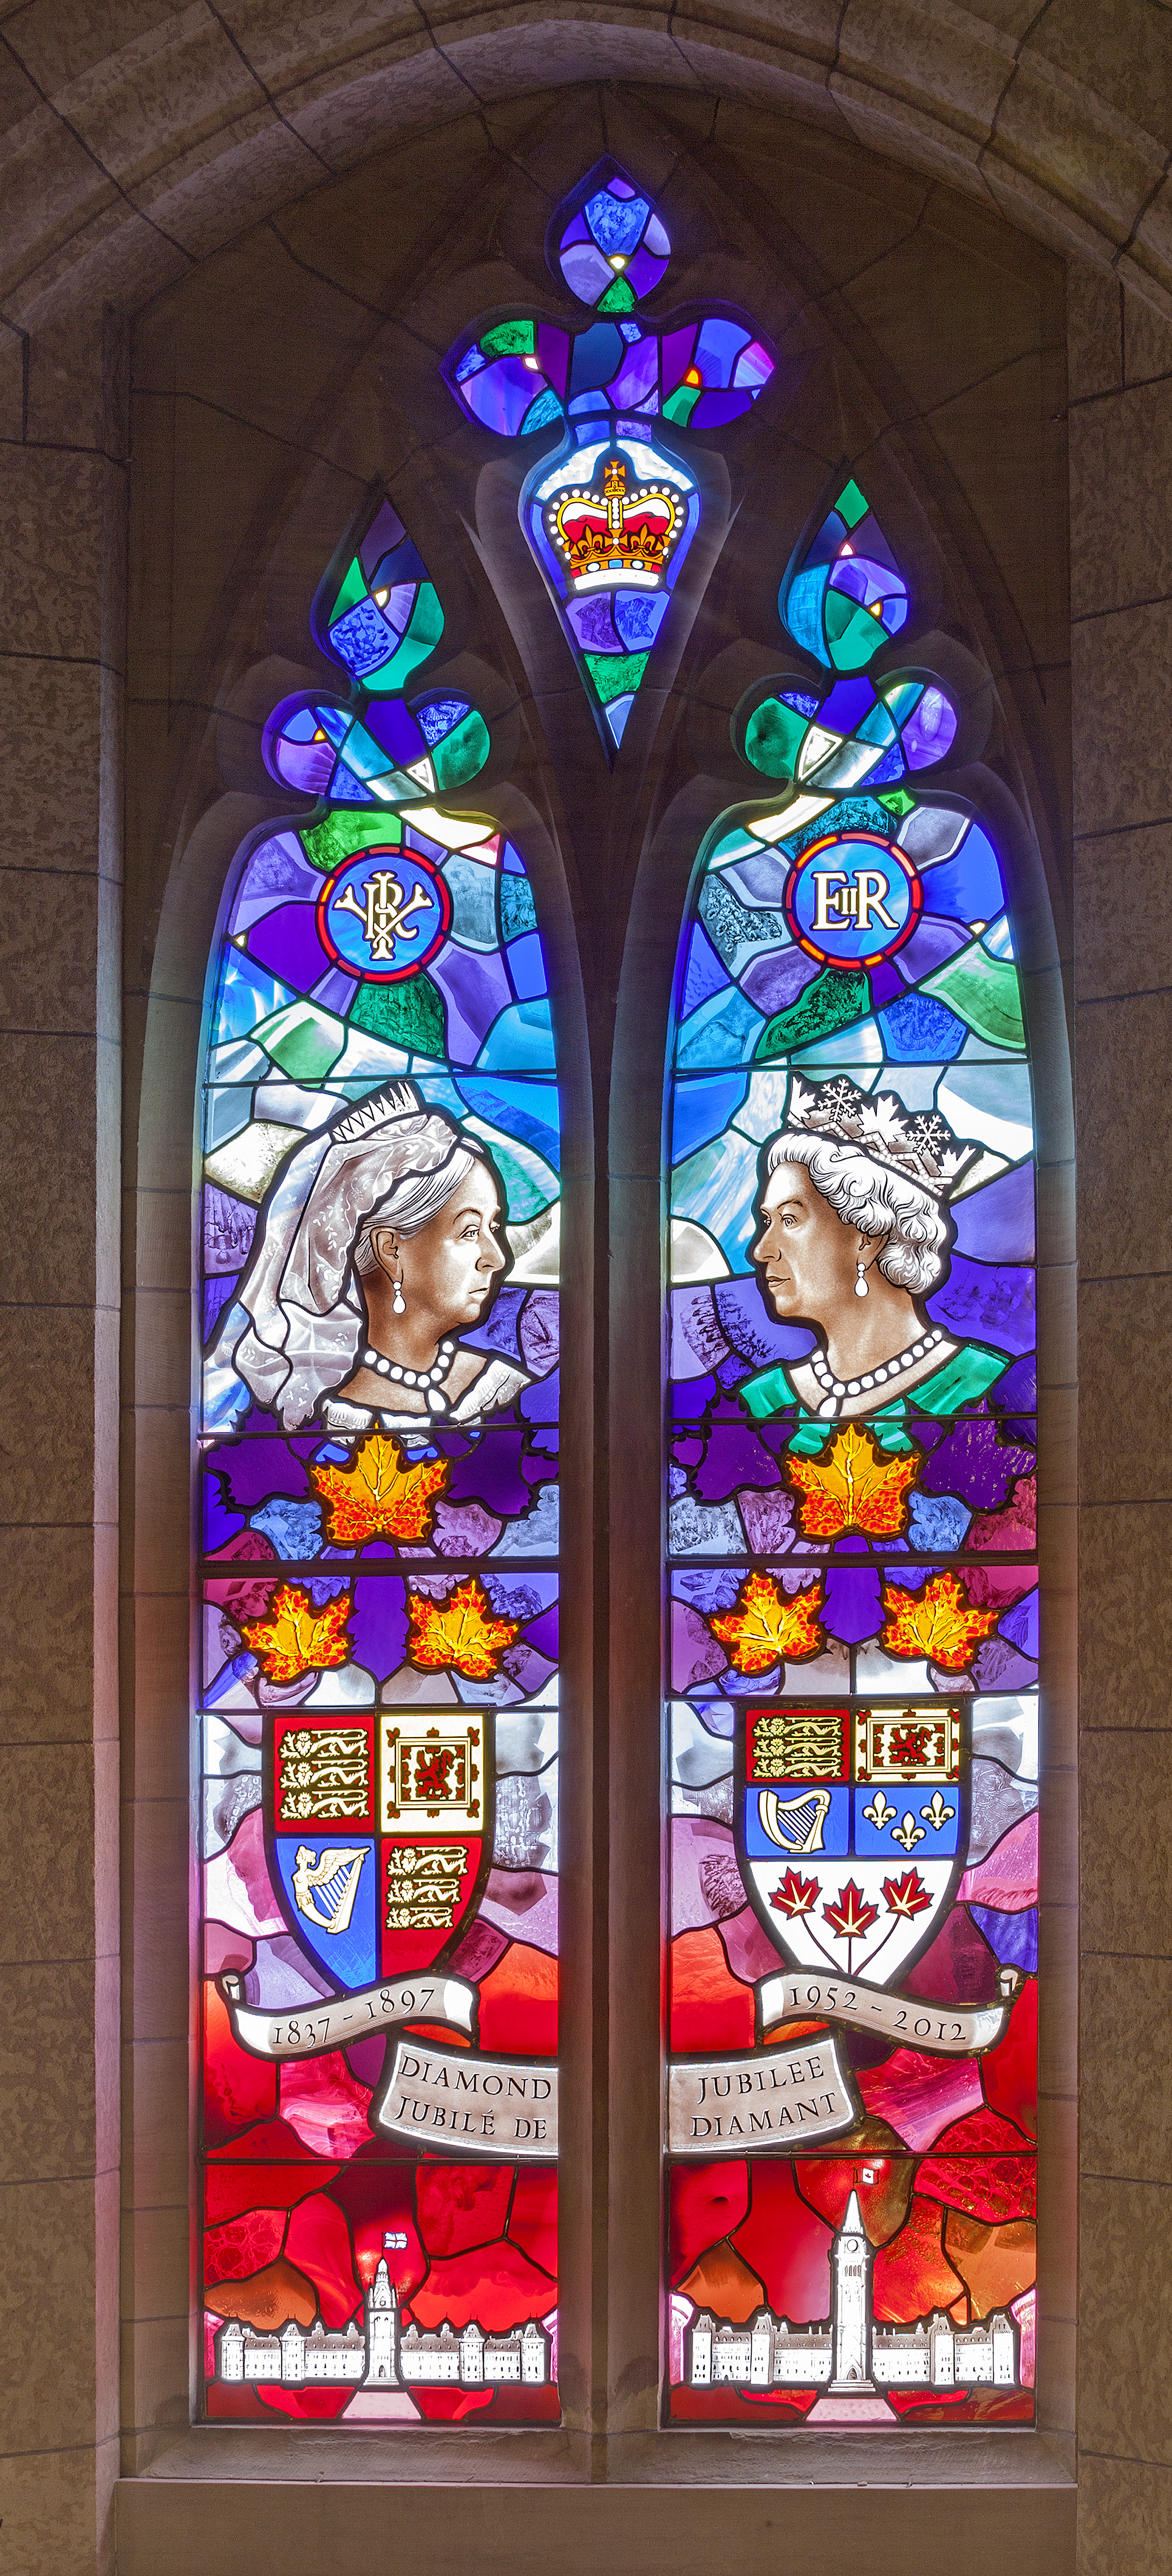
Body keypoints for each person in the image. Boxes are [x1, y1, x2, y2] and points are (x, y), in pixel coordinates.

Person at [229, 1080, 530, 1440]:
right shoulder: (309, 1418)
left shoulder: (505, 1395)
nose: (496, 1259)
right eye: (469, 1232)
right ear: (391, 1249)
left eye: (493, 1228)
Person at [739, 1074, 1010, 1453]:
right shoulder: (760, 1404)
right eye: (768, 1221)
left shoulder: (982, 1389)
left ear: (867, 1239)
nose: (761, 1251)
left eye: (790, 1221)